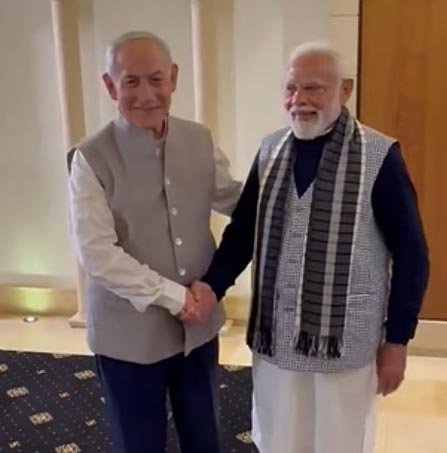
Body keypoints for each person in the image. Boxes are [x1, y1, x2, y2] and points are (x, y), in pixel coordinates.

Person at [192, 42, 429, 453]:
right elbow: (243, 232)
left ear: (345, 90)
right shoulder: (270, 150)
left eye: (314, 88)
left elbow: (412, 257)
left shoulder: (379, 156)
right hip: (276, 338)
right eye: (291, 88)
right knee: (278, 437)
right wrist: (213, 285)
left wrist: (397, 341)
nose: (299, 100)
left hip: (344, 342)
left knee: (338, 442)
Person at [67, 31, 241, 453]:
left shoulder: (199, 138)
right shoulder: (90, 157)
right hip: (127, 336)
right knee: (140, 444)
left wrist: (289, 194)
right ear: (110, 86)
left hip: (198, 327)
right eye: (131, 81)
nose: (146, 94)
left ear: (173, 78)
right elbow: (97, 254)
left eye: (156, 79)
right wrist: (176, 298)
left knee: (204, 438)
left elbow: (231, 197)